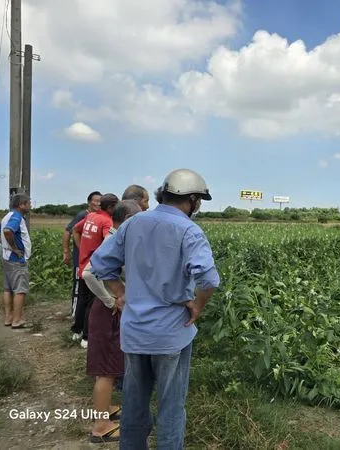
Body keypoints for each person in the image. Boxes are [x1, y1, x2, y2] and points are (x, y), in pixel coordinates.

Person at [90, 169, 220, 449]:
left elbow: (100, 263)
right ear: (193, 199)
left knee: (134, 404)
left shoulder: (133, 224)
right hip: (171, 334)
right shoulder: (189, 230)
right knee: (171, 408)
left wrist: (121, 292)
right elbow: (208, 279)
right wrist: (197, 306)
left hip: (135, 332)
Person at [82, 200, 142, 443]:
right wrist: (113, 299)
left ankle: (105, 411)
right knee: (106, 371)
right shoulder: (114, 239)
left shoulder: (118, 237)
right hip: (107, 312)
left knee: (110, 365)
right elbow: (89, 272)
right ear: (127, 217)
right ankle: (101, 427)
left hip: (110, 311)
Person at [71, 193, 119, 348]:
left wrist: (82, 249)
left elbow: (75, 230)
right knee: (93, 304)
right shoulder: (107, 221)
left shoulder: (91, 216)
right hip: (94, 269)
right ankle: (86, 337)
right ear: (111, 207)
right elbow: (109, 244)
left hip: (83, 263)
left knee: (82, 301)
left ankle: (76, 331)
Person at [0, 194, 32, 329]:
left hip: (6, 256)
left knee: (8, 288)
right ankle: (17, 320)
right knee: (20, 290)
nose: (30, 205)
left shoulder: (7, 216)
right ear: (21, 205)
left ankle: (8, 317)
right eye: (28, 203)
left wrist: (5, 245)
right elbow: (7, 231)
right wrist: (14, 248)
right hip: (15, 259)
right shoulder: (16, 217)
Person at [62, 191, 102, 319]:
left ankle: (84, 316)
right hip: (80, 258)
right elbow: (68, 232)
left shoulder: (96, 217)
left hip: (90, 261)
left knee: (87, 290)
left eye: (100, 201)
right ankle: (75, 315)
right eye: (96, 200)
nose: (98, 203)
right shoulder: (83, 215)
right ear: (89, 202)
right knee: (79, 287)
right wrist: (66, 251)